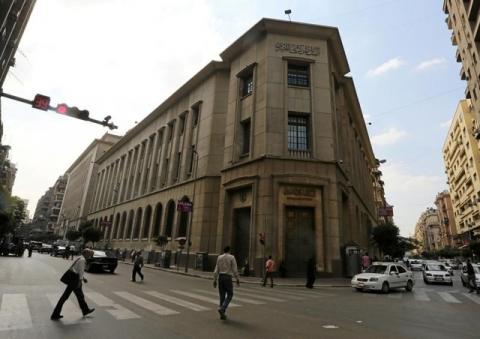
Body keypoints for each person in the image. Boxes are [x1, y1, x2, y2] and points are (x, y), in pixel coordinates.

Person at [51, 249, 95, 320]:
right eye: (89, 254)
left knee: (80, 296)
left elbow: (76, 270)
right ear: (85, 253)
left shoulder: (80, 258)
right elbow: (80, 272)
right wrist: (80, 281)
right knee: (65, 297)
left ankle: (85, 310)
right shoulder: (82, 260)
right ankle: (55, 314)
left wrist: (83, 279)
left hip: (74, 279)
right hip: (74, 280)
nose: (90, 256)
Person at [213, 246, 240, 320]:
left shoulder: (219, 257)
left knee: (222, 296)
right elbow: (234, 269)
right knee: (230, 294)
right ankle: (222, 308)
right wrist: (237, 278)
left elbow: (216, 269)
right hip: (227, 277)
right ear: (229, 250)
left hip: (220, 277)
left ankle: (222, 314)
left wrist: (215, 280)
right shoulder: (232, 257)